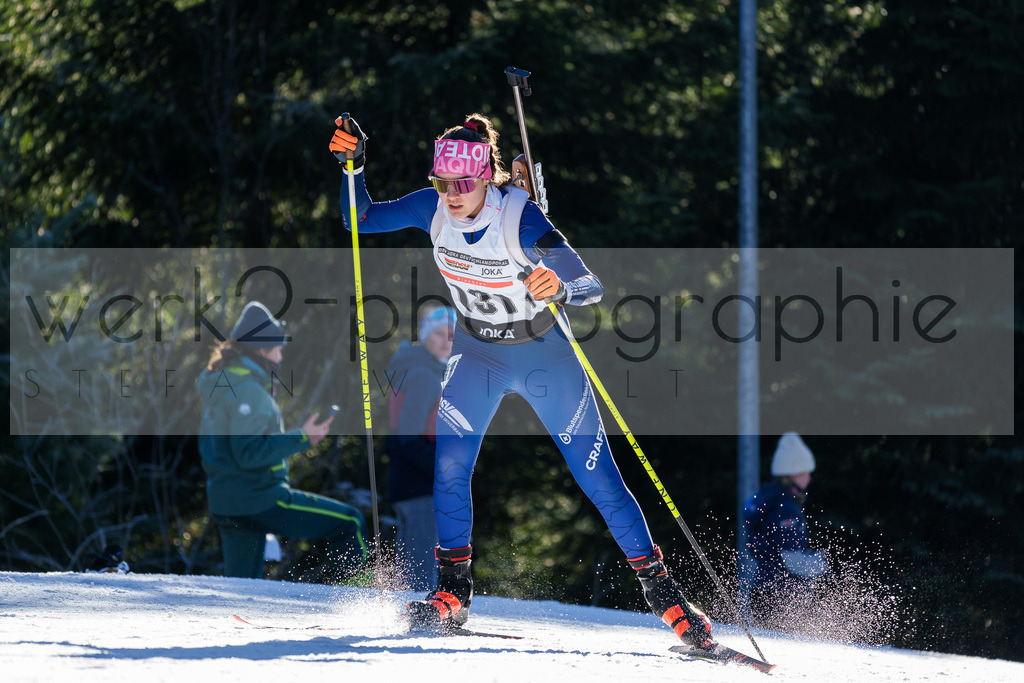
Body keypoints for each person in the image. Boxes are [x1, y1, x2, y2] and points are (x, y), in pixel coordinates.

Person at [329, 113, 715, 650]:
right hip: (477, 352)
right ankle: (453, 592)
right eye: (444, 183)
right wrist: (353, 167)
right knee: (449, 463)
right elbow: (359, 219)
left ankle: (665, 596)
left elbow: (590, 284)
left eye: (463, 184)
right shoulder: (431, 206)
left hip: (542, 356)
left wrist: (558, 284)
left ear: (487, 177)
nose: (453, 195)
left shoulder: (520, 215)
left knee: (597, 475)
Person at [197, 301, 369, 581]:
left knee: (244, 587)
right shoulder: (248, 391)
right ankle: (359, 603)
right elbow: (249, 453)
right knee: (350, 522)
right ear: (261, 350)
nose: (279, 358)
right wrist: (303, 437)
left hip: (225, 502)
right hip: (259, 498)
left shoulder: (223, 384)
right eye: (277, 350)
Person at [385, 306, 456, 589]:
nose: (446, 341)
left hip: (409, 484)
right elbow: (408, 435)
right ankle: (420, 625)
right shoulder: (423, 375)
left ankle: (410, 620)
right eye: (439, 333)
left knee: (413, 566)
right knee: (420, 571)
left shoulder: (418, 370)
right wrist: (444, 471)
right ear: (425, 336)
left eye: (452, 336)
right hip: (419, 486)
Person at [742, 432, 830, 629]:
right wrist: (823, 566)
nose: (809, 477)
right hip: (781, 596)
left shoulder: (768, 499)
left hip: (762, 590)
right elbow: (792, 560)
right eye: (806, 472)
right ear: (793, 473)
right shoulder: (785, 510)